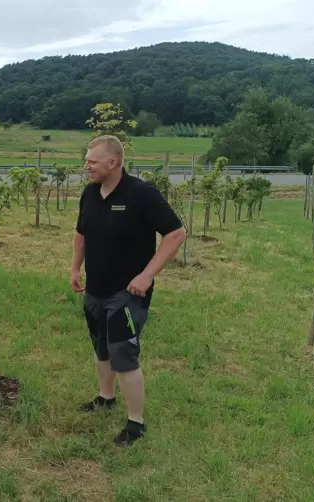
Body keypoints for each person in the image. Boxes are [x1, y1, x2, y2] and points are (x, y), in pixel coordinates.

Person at [71, 135, 186, 446]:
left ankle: (136, 422)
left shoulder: (142, 194)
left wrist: (147, 275)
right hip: (95, 288)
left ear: (113, 162)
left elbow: (176, 233)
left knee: (123, 351)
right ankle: (105, 397)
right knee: (101, 346)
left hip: (128, 292)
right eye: (86, 160)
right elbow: (81, 232)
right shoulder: (90, 194)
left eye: (92, 161)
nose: (86, 166)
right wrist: (74, 268)